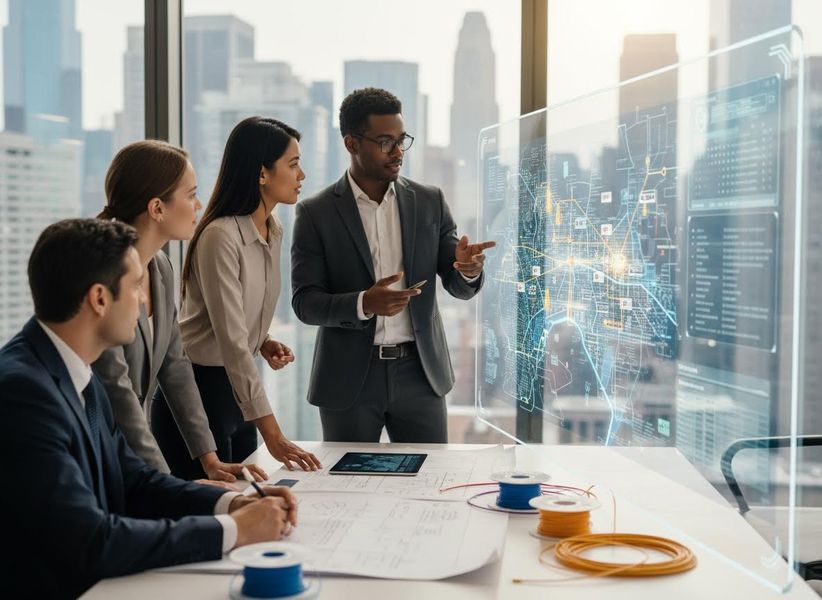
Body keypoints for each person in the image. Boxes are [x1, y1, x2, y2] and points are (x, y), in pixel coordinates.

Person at [0, 219, 298, 598]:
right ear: (99, 298)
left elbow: (135, 481)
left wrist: (233, 503)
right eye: (135, 286)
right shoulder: (23, 393)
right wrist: (236, 530)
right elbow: (91, 541)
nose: (143, 300)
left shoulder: (76, 371)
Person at [291, 87, 495, 443]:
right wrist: (364, 303)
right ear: (352, 144)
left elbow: (457, 284)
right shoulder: (316, 212)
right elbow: (305, 302)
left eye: (402, 141)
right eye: (385, 142)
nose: (398, 152)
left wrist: (468, 270)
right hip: (349, 379)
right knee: (349, 477)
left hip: (421, 374)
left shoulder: (429, 201)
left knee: (431, 475)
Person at [93, 140, 266, 483]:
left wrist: (210, 459)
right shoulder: (105, 276)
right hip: (97, 447)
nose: (198, 205)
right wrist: (164, 485)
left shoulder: (160, 266)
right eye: (191, 195)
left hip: (132, 450)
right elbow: (118, 392)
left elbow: (175, 365)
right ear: (157, 208)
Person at [165, 116, 321, 476]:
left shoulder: (272, 229)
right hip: (200, 393)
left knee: (250, 497)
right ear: (262, 173)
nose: (301, 175)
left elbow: (236, 315)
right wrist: (274, 436)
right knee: (213, 504)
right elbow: (232, 342)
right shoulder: (220, 236)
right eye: (293, 164)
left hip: (238, 393)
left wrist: (262, 339)